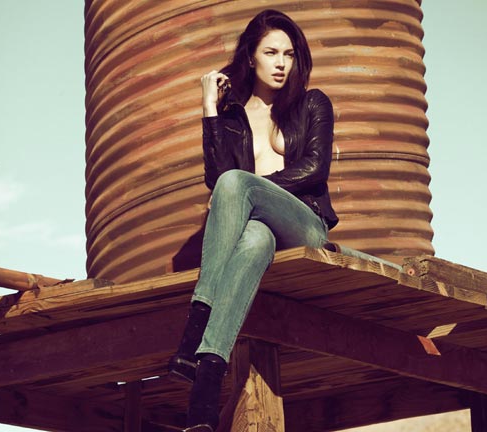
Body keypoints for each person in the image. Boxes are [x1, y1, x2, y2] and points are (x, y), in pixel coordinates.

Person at [168, 9, 339, 432]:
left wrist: (253, 187)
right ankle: (205, 390)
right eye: (270, 53)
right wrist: (209, 108)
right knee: (256, 239)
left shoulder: (312, 103)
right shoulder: (233, 116)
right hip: (261, 228)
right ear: (250, 57)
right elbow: (216, 178)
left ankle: (194, 326)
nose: (281, 63)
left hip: (305, 225)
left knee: (238, 183)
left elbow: (315, 168)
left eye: (289, 54)